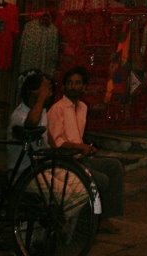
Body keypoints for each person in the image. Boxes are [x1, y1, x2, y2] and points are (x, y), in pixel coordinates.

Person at [47, 66, 124, 233]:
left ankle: (105, 218)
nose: (73, 86)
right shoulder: (57, 109)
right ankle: (90, 222)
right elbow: (57, 142)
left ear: (84, 87)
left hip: (80, 158)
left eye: (77, 83)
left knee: (115, 166)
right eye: (70, 83)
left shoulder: (82, 107)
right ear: (64, 86)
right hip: (65, 161)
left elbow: (78, 136)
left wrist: (86, 148)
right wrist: (80, 147)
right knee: (101, 179)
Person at [8, 70, 52, 171]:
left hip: (43, 166)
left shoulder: (42, 110)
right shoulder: (18, 115)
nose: (48, 93)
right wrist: (41, 97)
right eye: (45, 89)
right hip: (24, 172)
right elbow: (31, 123)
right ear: (32, 92)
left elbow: (48, 137)